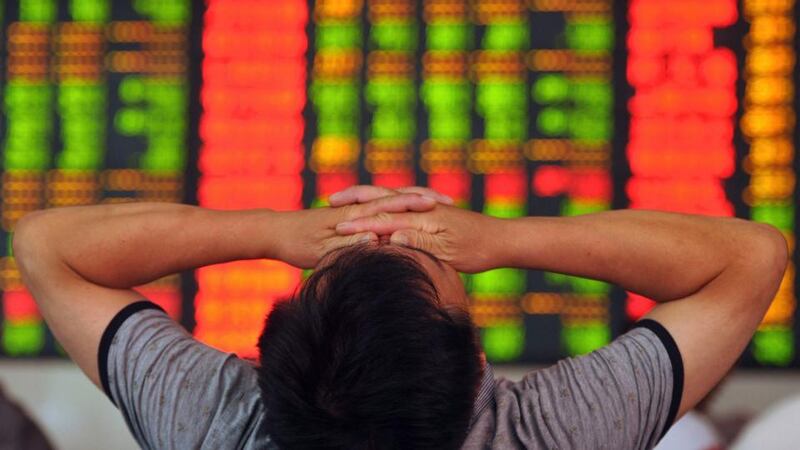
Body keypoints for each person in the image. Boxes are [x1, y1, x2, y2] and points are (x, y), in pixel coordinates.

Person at [12, 185, 787, 449]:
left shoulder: (214, 424)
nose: (383, 226)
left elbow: (50, 245)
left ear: (260, 362)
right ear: (481, 369)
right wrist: (506, 238)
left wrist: (270, 232)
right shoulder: (551, 433)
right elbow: (751, 256)